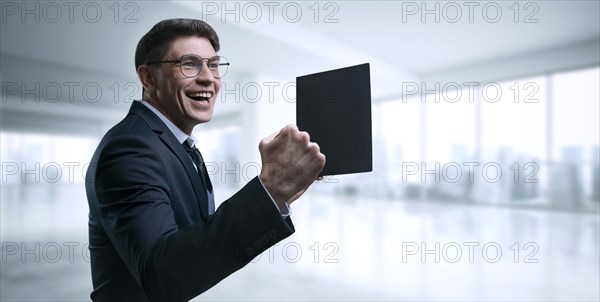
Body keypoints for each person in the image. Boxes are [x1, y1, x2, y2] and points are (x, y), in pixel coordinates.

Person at [85, 18, 326, 301]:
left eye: (213, 65)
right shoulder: (130, 147)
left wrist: (279, 193)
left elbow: (195, 239)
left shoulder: (176, 145)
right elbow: (162, 274)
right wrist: (269, 190)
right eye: (189, 64)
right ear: (149, 78)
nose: (208, 78)